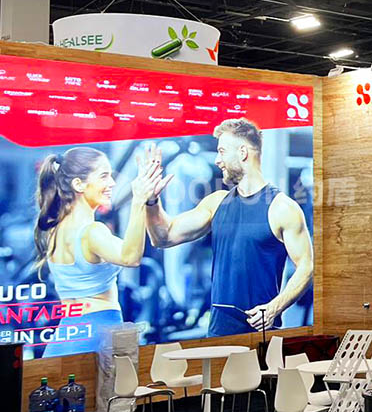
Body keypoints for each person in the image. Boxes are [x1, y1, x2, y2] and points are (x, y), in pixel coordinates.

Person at [143, 119, 313, 337]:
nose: (217, 160)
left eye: (222, 151)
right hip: (217, 334)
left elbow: (306, 266)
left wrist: (274, 308)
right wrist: (151, 201)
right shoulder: (216, 203)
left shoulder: (282, 208)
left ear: (243, 152)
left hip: (261, 335)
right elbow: (163, 237)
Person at [34, 147, 163, 357]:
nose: (112, 183)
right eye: (104, 176)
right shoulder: (92, 232)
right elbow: (130, 257)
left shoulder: (55, 230)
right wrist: (138, 200)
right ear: (78, 184)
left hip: (63, 340)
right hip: (96, 337)